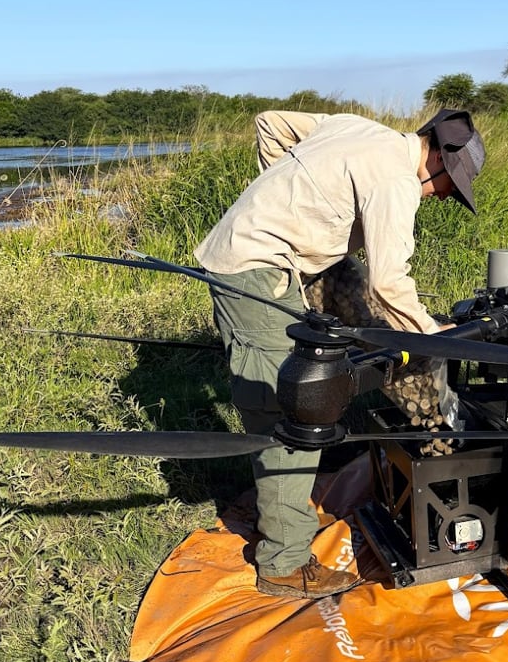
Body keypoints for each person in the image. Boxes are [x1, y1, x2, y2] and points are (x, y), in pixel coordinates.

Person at [193, 109, 485, 599]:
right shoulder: (396, 181)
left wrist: (289, 201)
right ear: (436, 156)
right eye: (447, 186)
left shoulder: (360, 129)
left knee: (355, 328)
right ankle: (283, 563)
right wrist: (434, 337)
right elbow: (391, 282)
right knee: (296, 406)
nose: (441, 196)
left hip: (268, 255)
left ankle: (301, 503)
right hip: (254, 268)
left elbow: (270, 123)